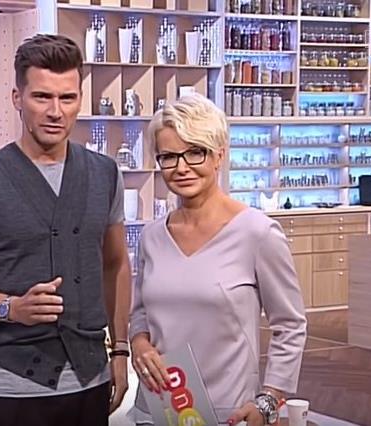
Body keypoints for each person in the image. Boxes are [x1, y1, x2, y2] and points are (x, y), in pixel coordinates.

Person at [0, 34, 132, 426]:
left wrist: (121, 351)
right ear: (17, 98)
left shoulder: (105, 174)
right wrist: (11, 308)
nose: (55, 111)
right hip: (10, 391)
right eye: (42, 97)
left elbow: (116, 264)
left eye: (67, 98)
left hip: (90, 383)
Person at [128, 93, 307, 426]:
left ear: (219, 155)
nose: (181, 168)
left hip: (229, 412)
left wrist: (269, 400)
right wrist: (138, 344)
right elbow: (140, 313)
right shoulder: (151, 237)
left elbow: (290, 325)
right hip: (159, 408)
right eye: (168, 157)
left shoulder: (258, 233)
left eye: (195, 152)